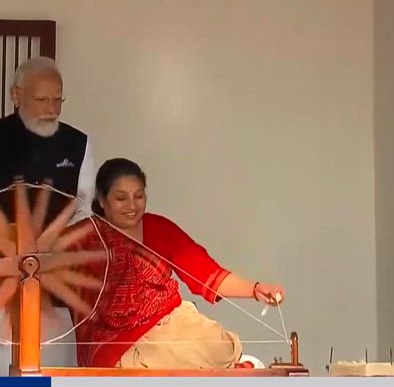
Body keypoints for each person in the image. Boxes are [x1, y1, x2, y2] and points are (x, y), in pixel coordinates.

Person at [73, 158, 285, 369]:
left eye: (139, 196)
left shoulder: (159, 228)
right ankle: (237, 369)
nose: (132, 206)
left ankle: (232, 367)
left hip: (169, 323)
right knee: (146, 364)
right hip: (115, 341)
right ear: (102, 200)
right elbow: (52, 266)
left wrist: (255, 289)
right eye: (121, 198)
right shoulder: (83, 236)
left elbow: (208, 274)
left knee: (216, 345)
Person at [0, 57, 95, 230]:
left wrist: (56, 239)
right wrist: (10, 239)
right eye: (41, 100)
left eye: (57, 100)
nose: (51, 109)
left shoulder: (77, 143)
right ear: (16, 96)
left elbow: (84, 208)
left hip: (60, 245)